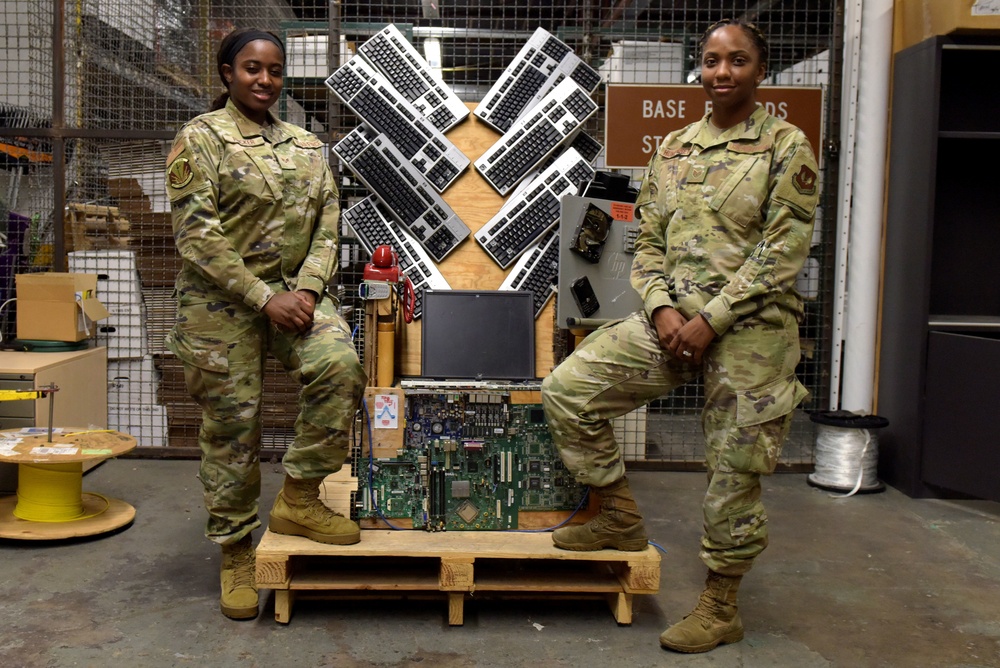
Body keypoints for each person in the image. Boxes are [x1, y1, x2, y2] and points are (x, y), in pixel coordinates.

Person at [541, 18, 818, 653]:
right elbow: (648, 244)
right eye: (713, 60)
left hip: (750, 331)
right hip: (670, 323)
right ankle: (616, 515)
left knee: (732, 470)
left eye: (737, 61)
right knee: (568, 388)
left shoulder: (785, 145)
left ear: (760, 70)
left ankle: (722, 604)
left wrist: (709, 319)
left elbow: (781, 253)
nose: (722, 73)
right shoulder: (673, 148)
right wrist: (663, 310)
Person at [164, 27, 367, 621]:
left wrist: (306, 289)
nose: (265, 80)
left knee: (339, 365)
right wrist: (263, 297)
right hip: (219, 306)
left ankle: (300, 495)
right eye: (252, 68)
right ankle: (235, 551)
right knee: (234, 427)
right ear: (227, 73)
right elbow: (197, 236)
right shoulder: (201, 139)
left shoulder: (308, 146)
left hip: (294, 299)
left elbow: (330, 220)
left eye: (275, 70)